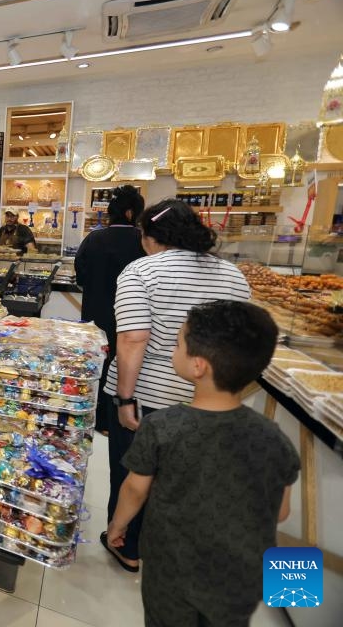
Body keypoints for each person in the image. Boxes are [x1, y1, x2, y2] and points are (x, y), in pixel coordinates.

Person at [107, 301, 298, 626]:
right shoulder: (275, 438)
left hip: (171, 566)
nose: (173, 349)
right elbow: (279, 512)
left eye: (177, 344)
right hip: (239, 576)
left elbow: (135, 490)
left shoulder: (161, 426)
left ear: (198, 366)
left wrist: (118, 525)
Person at [101, 198, 251, 572]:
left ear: (150, 234)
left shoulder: (142, 271)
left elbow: (133, 339)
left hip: (148, 393)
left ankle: (127, 544)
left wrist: (125, 399)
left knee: (134, 471)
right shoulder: (233, 275)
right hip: (207, 397)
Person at [74, 185, 146, 434]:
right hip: (133, 318)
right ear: (131, 213)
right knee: (127, 364)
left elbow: (80, 274)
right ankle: (117, 420)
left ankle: (95, 418)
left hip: (95, 313)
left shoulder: (93, 238)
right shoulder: (142, 241)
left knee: (97, 363)